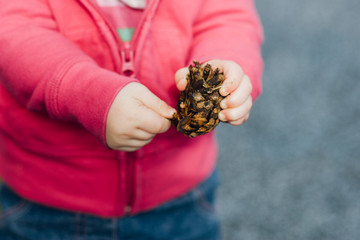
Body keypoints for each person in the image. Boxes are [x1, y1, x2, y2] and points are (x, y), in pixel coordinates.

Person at [0, 0, 263, 239]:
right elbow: (16, 33)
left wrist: (225, 71)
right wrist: (87, 93)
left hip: (180, 194)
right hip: (49, 203)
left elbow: (226, 17)